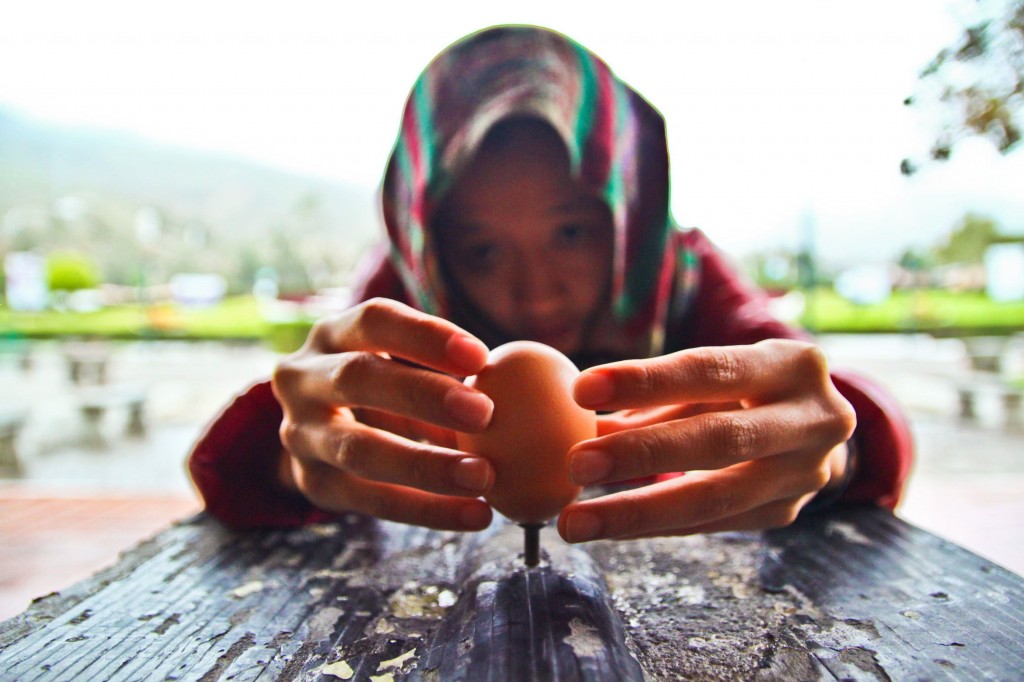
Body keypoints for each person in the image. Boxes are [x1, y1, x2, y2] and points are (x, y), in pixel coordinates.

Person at [188, 25, 913, 542]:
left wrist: (833, 451)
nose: (536, 296)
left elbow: (817, 398)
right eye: (481, 250)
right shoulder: (409, 300)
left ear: (628, 217)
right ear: (432, 247)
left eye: (571, 232)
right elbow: (238, 460)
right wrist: (298, 453)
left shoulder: (682, 278)